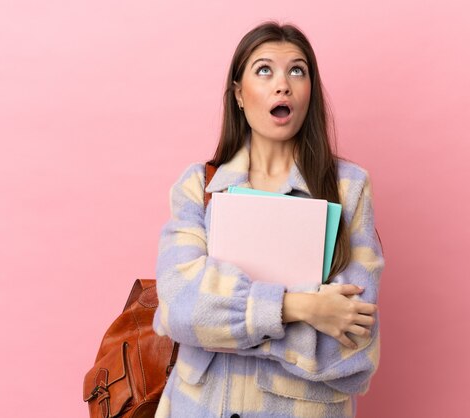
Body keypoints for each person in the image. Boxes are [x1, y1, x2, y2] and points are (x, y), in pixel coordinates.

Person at [153, 21, 385, 418]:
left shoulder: (349, 189)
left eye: (298, 70)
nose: (283, 84)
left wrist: (219, 328)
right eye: (264, 70)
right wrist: (302, 308)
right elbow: (181, 309)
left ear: (310, 92)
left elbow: (350, 353)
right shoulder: (199, 186)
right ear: (239, 94)